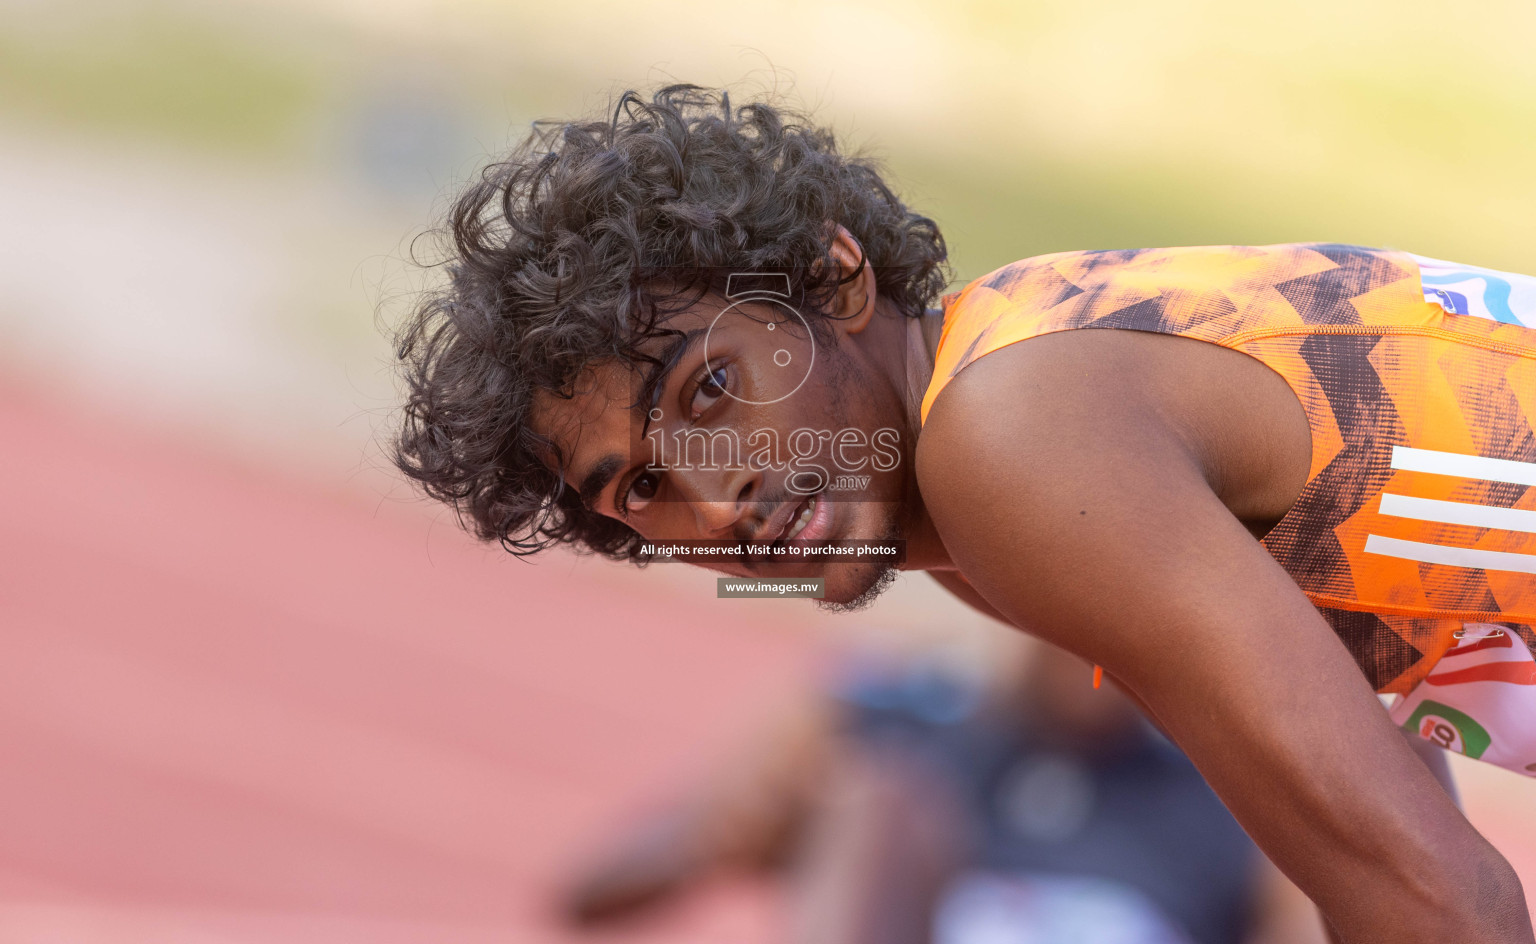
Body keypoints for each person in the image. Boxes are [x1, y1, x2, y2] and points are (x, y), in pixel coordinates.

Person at [393, 84, 1536, 942]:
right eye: (638, 489)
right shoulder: (997, 438)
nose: (713, 495)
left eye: (713, 390)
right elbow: (1385, 822)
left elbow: (1441, 903)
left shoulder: (1014, 447)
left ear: (836, 281)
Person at [561, 640, 1324, 944]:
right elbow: (587, 896)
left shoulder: (1220, 797)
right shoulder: (897, 723)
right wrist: (713, 833)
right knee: (877, 796)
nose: (1096, 655)